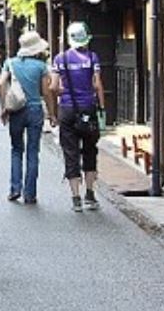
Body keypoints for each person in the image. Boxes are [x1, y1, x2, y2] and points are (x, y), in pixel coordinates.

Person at [53, 21, 106, 212]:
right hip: (88, 109)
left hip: (67, 110)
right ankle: (90, 195)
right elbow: (97, 84)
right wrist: (102, 109)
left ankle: (75, 198)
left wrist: (62, 93)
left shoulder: (60, 59)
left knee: (70, 152)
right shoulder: (93, 57)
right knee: (90, 150)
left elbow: (53, 87)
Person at [0, 31, 55, 204]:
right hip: (35, 109)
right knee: (32, 151)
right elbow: (46, 91)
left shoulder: (10, 63)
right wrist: (52, 113)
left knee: (16, 149)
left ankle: (15, 188)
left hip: (16, 110)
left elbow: (1, 84)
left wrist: (3, 107)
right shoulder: (40, 66)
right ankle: (30, 194)